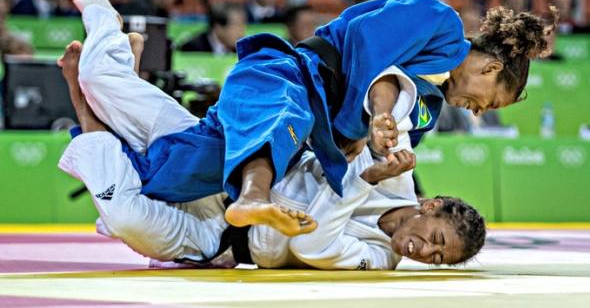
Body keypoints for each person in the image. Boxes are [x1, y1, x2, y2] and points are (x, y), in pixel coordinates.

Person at [53, 0, 556, 239]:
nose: (476, 110)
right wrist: (365, 125)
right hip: (289, 75)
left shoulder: (425, 108)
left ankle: (122, 73)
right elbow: (364, 42)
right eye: (490, 102)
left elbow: (380, 134)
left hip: (301, 130)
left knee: (165, 176)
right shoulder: (440, 24)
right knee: (282, 113)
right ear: (491, 69)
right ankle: (100, 12)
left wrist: (377, 153)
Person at [56, 46, 485, 268]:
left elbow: (315, 245)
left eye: (435, 259)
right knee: (106, 81)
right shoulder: (399, 169)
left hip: (216, 237)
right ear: (433, 206)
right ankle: (104, 28)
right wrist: (381, 127)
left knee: (123, 216)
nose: (423, 251)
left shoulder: (378, 260)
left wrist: (361, 179)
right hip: (228, 169)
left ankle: (79, 102)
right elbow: (388, 86)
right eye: (437, 240)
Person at [179, 2, 246, 54]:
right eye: (237, 25)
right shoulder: (193, 48)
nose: (241, 30)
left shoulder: (244, 49)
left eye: (243, 24)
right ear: (218, 28)